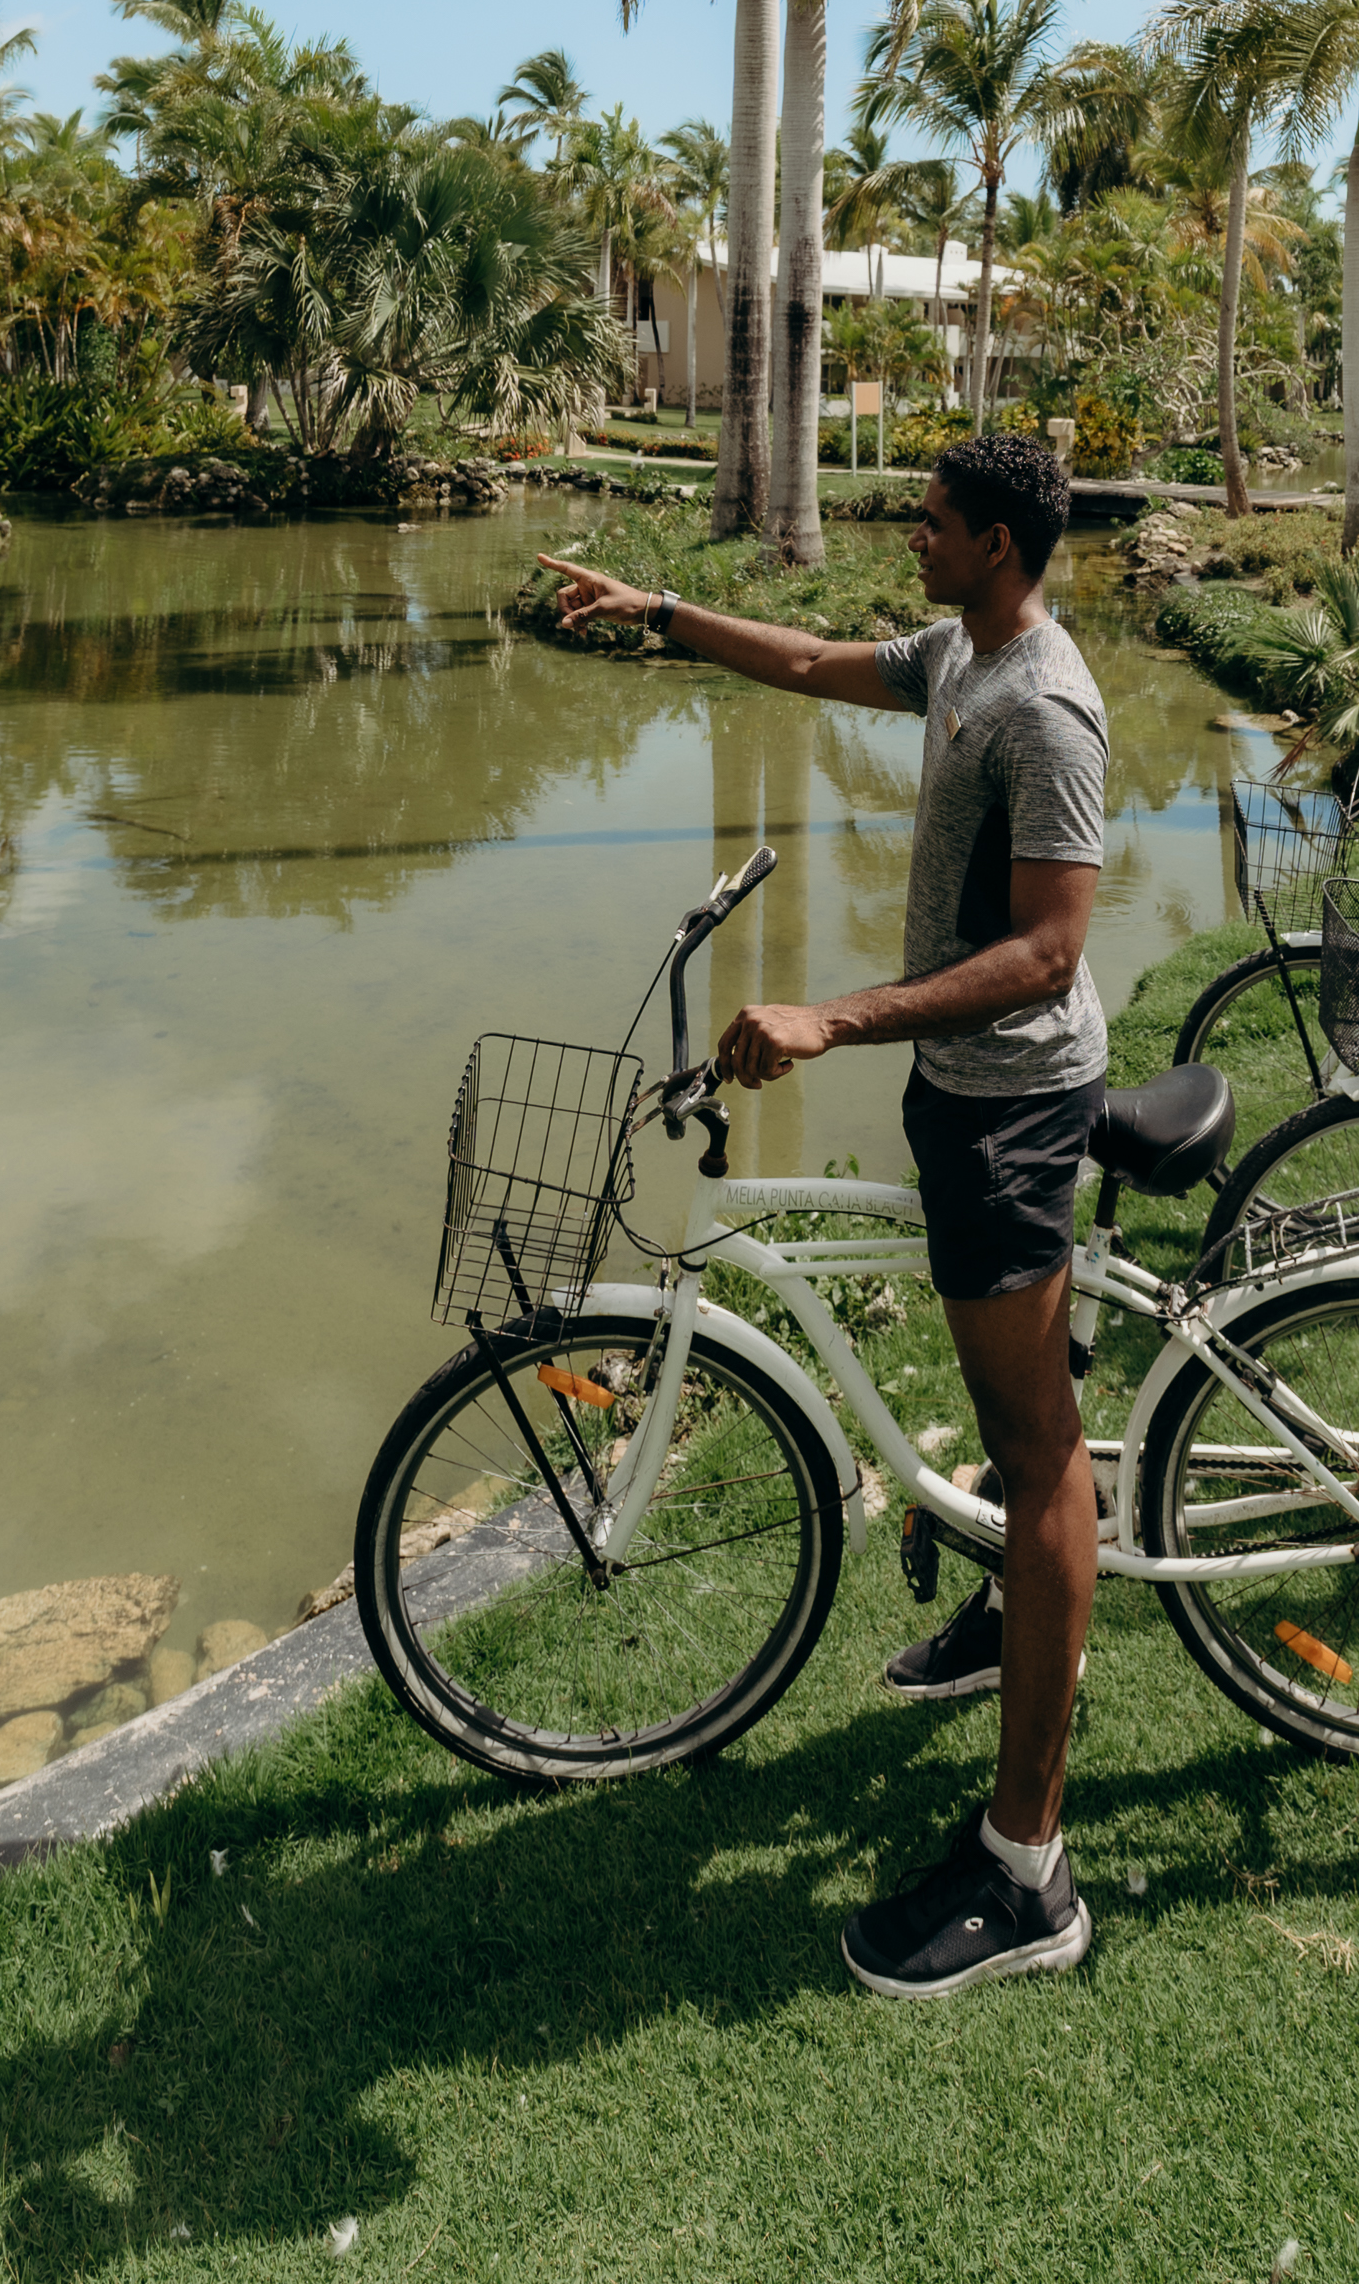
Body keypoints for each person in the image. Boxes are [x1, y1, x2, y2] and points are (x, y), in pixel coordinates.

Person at [536, 428, 1105, 1998]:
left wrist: (834, 1018)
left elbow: (1052, 950)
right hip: (960, 1089)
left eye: (927, 523)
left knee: (1038, 1447)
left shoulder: (1044, 704)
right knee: (1009, 1412)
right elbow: (804, 658)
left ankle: (1025, 1870)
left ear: (996, 543)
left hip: (1009, 1103)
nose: (903, 536)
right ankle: (1006, 1616)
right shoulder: (961, 654)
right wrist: (656, 612)